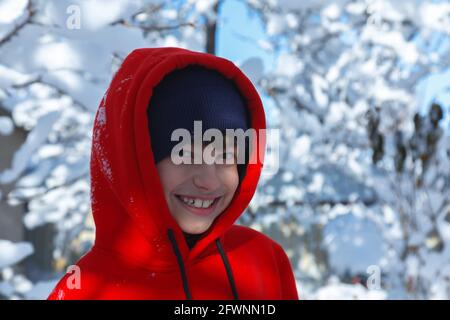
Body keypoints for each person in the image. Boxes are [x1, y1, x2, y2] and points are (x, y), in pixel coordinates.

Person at [48, 47, 298, 300]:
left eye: (226, 156)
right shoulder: (85, 289)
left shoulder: (265, 262)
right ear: (136, 162)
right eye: (185, 154)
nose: (209, 181)